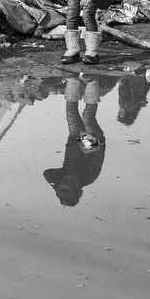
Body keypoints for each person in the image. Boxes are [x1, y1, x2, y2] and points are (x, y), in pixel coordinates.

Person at [42, 76, 106, 206]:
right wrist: (91, 142)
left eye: (65, 181)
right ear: (79, 187)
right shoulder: (89, 177)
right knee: (87, 117)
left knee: (71, 111)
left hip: (74, 138)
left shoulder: (60, 176)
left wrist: (55, 184)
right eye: (72, 182)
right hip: (93, 144)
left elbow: (46, 173)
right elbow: (98, 156)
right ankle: (92, 82)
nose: (69, 178)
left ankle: (72, 82)